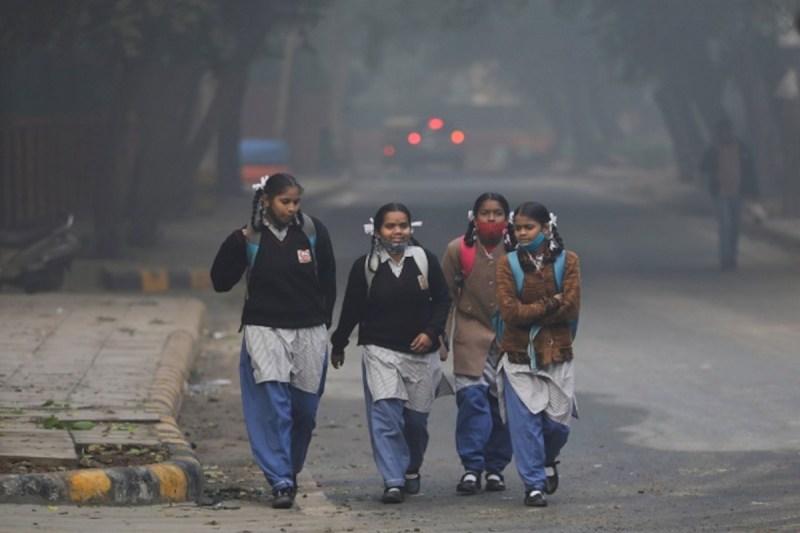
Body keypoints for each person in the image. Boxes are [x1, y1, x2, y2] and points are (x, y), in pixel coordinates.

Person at [210, 173, 336, 509]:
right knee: (274, 407)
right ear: (266, 200)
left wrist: (327, 325)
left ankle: (290, 468)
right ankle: (280, 479)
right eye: (285, 202)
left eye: (296, 202)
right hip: (264, 330)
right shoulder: (249, 236)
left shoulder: (312, 231)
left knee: (304, 412)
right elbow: (220, 282)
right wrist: (234, 245)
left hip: (309, 331)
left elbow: (328, 281)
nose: (292, 208)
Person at [330, 203, 451, 504]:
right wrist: (339, 342)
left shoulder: (424, 260)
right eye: (390, 226)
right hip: (379, 350)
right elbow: (352, 308)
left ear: (411, 228)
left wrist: (432, 333)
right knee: (385, 414)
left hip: (422, 354)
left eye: (403, 225)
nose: (397, 231)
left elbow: (443, 300)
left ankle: (411, 466)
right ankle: (392, 479)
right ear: (377, 230)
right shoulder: (366, 266)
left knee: (415, 422)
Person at [495, 201, 580, 508]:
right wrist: (549, 305)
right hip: (517, 355)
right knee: (525, 423)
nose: (522, 233)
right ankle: (533, 485)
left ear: (546, 228)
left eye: (528, 227)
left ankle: (547, 459)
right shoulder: (507, 264)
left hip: (557, 353)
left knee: (557, 425)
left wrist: (531, 311)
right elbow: (510, 312)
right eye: (517, 228)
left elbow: (571, 306)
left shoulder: (568, 261)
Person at [440, 193, 515, 495]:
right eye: (485, 213)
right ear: (475, 217)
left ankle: (495, 468)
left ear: (507, 218)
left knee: (503, 407)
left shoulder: (517, 249)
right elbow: (444, 297)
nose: (492, 219)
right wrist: (441, 336)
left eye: (498, 213)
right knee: (471, 401)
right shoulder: (458, 249)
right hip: (470, 337)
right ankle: (472, 467)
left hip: (509, 340)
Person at [699, 118, 759, 271]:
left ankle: (733, 255)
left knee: (736, 226)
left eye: (729, 131)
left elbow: (750, 172)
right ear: (719, 133)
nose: (727, 134)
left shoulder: (742, 149)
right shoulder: (713, 149)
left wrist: (753, 192)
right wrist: (713, 151)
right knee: (725, 225)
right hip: (721, 193)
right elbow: (703, 167)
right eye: (723, 131)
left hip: (738, 192)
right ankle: (725, 258)